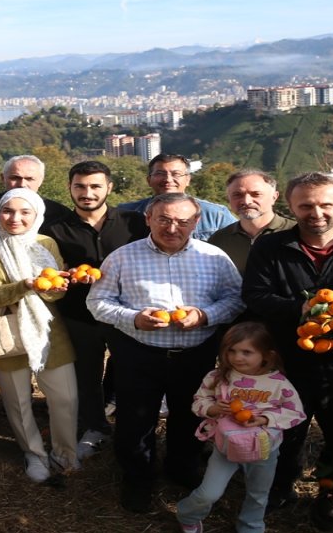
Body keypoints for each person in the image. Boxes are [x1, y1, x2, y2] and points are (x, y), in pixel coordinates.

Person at [241, 171, 333, 530]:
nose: (316, 212)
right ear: (291, 206)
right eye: (306, 205)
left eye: (326, 203)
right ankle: (281, 486)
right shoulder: (270, 247)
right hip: (289, 360)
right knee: (285, 429)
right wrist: (300, 308)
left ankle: (330, 494)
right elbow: (255, 296)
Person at [86, 192, 245, 513]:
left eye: (183, 221)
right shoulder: (122, 257)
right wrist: (133, 318)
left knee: (190, 415)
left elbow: (236, 299)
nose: (173, 227)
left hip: (195, 353)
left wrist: (204, 315)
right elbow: (97, 302)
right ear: (148, 219)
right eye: (164, 219)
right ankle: (138, 478)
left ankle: (182, 469)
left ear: (196, 222)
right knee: (135, 419)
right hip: (139, 353)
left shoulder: (214, 257)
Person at [0, 188, 79, 482]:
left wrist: (55, 289)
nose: (15, 218)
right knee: (18, 402)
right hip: (4, 331)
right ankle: (34, 454)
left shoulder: (45, 243)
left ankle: (65, 453)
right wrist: (25, 286)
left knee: (66, 398)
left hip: (47, 330)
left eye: (25, 212)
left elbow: (54, 295)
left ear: (36, 215)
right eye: (8, 211)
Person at [42, 160, 148, 459]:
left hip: (125, 313)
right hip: (78, 314)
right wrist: (65, 275)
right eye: (80, 186)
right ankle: (95, 426)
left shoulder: (134, 223)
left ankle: (132, 424)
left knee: (129, 370)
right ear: (70, 188)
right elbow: (47, 270)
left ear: (109, 187)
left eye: (95, 186)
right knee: (86, 373)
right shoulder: (53, 230)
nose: (87, 193)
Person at [175, 322, 307, 533]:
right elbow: (200, 399)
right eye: (231, 351)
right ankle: (188, 514)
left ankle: (251, 525)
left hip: (264, 449)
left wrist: (265, 418)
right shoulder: (218, 377)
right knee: (209, 492)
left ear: (267, 355)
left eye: (247, 352)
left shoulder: (278, 383)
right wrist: (212, 408)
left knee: (258, 494)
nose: (237, 357)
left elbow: (296, 412)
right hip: (226, 448)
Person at [117, 154, 236, 241]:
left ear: (188, 179)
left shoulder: (216, 215)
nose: (168, 179)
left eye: (176, 174)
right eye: (160, 174)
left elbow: (240, 245)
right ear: (149, 180)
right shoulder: (125, 214)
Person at [0, 154, 73, 239]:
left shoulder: (59, 213)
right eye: (15, 178)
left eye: (29, 179)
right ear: (3, 178)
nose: (22, 184)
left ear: (41, 180)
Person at [208, 170, 291, 272]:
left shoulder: (297, 233)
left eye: (256, 194)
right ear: (228, 198)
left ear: (274, 197)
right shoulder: (219, 239)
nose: (246, 201)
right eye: (237, 195)